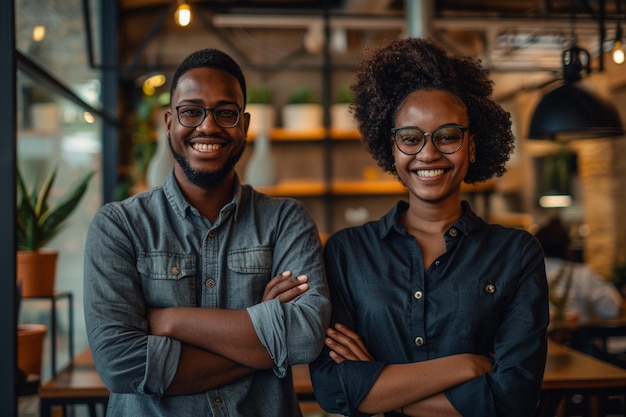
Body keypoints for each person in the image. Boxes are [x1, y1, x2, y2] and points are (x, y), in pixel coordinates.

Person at [309, 37, 549, 417]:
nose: (428, 153)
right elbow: (332, 389)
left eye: (448, 136)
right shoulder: (348, 252)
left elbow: (513, 399)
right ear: (392, 150)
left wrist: (381, 388)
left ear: (472, 146)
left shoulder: (516, 253)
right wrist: (468, 366)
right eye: (410, 138)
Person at [84, 48, 331, 417]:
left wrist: (169, 320)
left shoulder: (286, 221)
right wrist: (262, 340)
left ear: (245, 124)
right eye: (191, 111)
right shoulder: (119, 226)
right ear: (169, 122)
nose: (209, 126)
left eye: (225, 113)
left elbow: (305, 336)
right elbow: (121, 364)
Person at [535, 217, 622, 327]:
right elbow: (611, 308)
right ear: (567, 246)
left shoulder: (527, 274)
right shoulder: (583, 274)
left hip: (534, 342)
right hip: (577, 342)